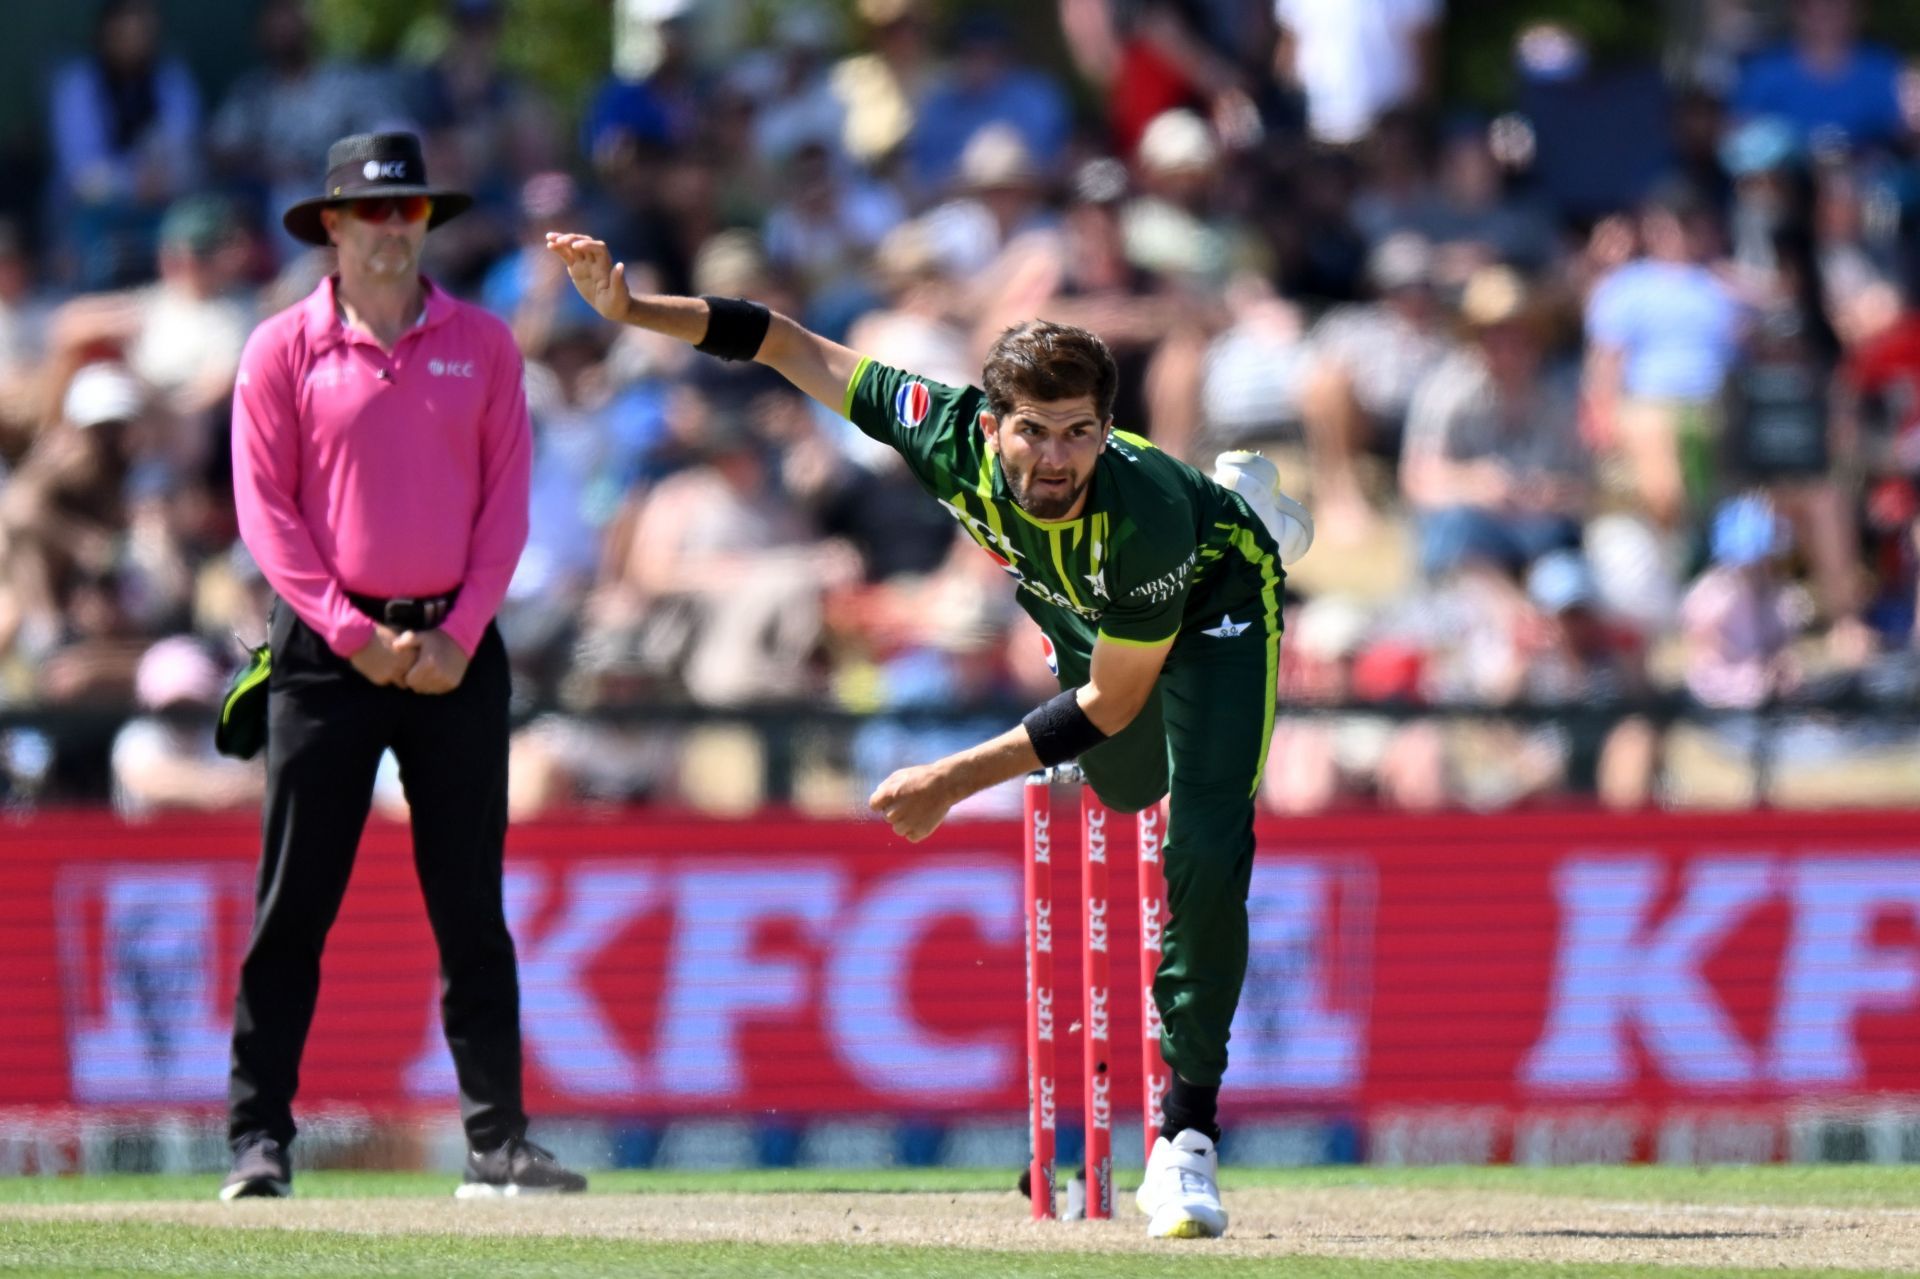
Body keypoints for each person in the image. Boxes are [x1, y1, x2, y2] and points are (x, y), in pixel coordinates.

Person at [546, 229, 1313, 1239]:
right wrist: (633, 310)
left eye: (1080, 433)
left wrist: (950, 777)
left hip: (1212, 605)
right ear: (989, 423)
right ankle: (1240, 505)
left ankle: (1186, 1138)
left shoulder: (1142, 514)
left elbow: (1115, 705)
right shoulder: (940, 427)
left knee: (1204, 845)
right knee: (1124, 788)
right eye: (1034, 432)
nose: (1056, 458)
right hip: (1094, 613)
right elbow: (784, 343)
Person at [220, 132, 583, 1201]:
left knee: (470, 901)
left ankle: (495, 1142)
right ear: (331, 225)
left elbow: (504, 506)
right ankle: (258, 1139)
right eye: (373, 212)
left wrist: (460, 633)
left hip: (453, 649)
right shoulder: (281, 350)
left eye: (409, 211)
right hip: (330, 655)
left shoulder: (485, 345)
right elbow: (266, 515)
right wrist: (354, 634)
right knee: (295, 901)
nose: (393, 228)